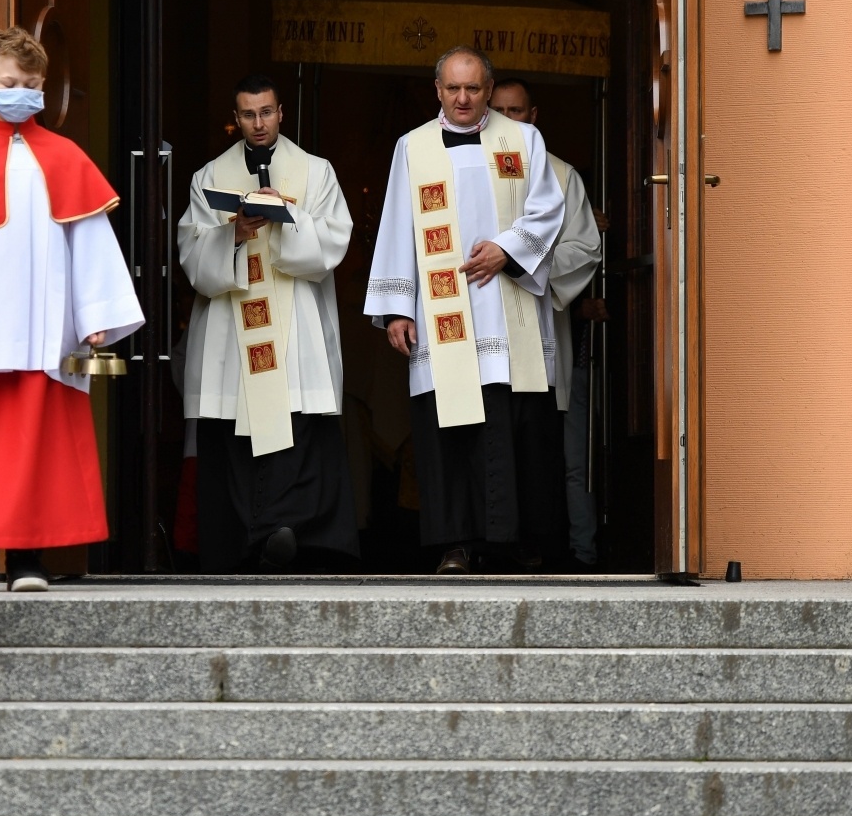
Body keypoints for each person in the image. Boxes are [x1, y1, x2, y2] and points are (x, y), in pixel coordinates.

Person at [0, 27, 143, 592]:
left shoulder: (66, 158)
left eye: (28, 84)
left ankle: (28, 562)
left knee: (33, 446)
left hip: (43, 330)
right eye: (8, 83)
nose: (18, 92)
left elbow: (89, 245)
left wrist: (97, 314)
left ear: (43, 88)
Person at [364, 46, 565, 574]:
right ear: (437, 90)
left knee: (513, 424)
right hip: (442, 315)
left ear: (488, 88)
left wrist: (508, 249)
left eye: (473, 89)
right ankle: (456, 543)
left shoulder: (523, 141)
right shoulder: (414, 147)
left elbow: (548, 209)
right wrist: (397, 309)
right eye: (452, 88)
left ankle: (515, 543)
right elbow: (396, 228)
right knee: (450, 432)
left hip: (507, 311)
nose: (462, 98)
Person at [177, 74, 358, 572]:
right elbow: (193, 257)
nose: (258, 123)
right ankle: (244, 541)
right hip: (231, 337)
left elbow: (331, 247)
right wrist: (233, 233)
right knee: (234, 437)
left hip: (294, 325)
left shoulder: (315, 172)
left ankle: (293, 538)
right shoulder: (210, 175)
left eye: (267, 112)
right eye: (248, 115)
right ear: (236, 119)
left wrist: (287, 218)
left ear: (282, 113)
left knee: (298, 434)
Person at [490, 78, 604, 570]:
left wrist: (522, 261)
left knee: (539, 455)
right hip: (481, 341)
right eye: (499, 111)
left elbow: (585, 248)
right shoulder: (460, 168)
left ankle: (542, 552)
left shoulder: (559, 175)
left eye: (516, 111)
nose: (508, 120)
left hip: (539, 339)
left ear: (533, 115)